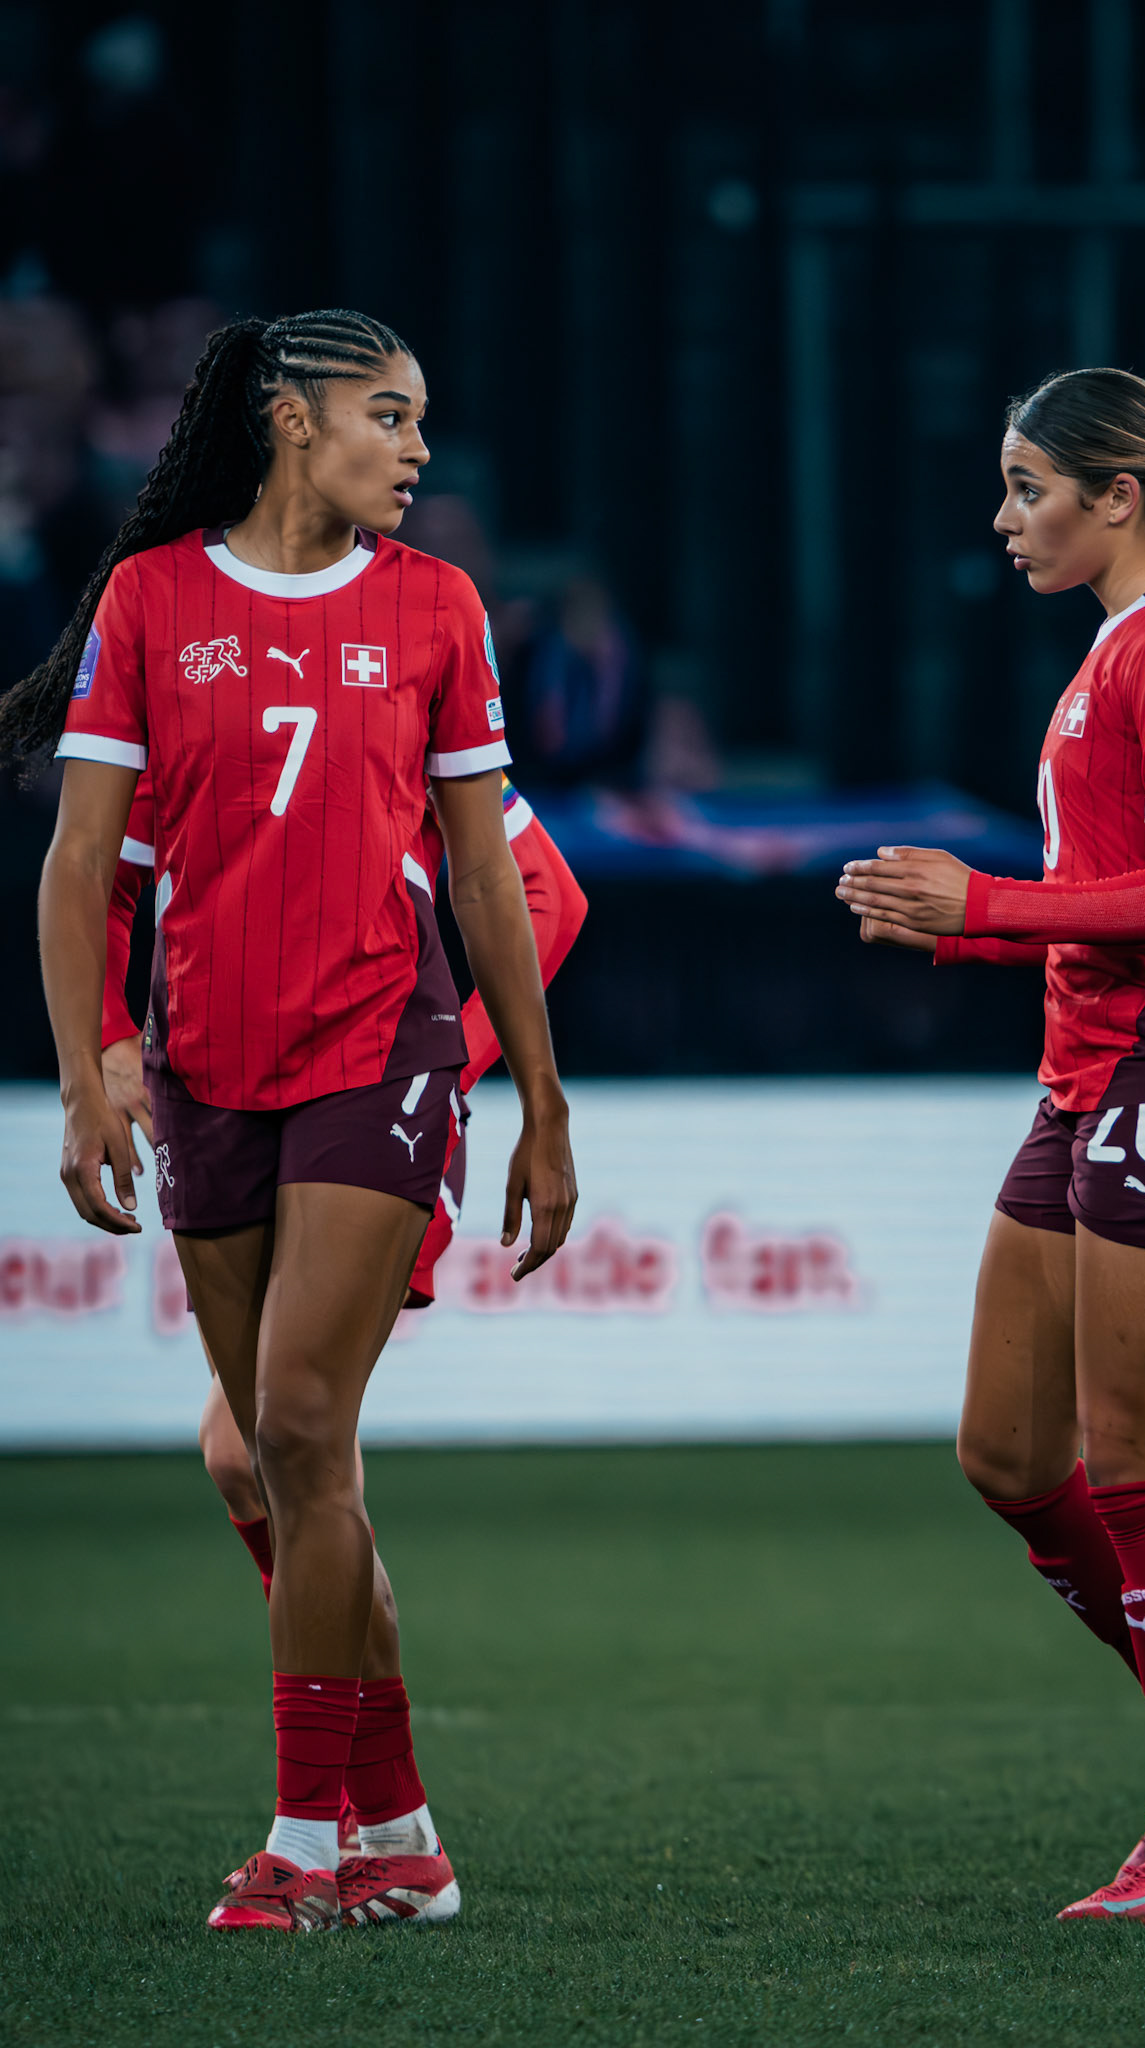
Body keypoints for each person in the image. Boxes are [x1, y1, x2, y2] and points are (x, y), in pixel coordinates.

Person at [4, 309, 578, 1933]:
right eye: (386, 416)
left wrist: (532, 1097)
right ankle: (401, 1828)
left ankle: (307, 1842)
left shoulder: (437, 609)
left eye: (421, 420)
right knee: (261, 1448)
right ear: (287, 418)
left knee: (305, 1423)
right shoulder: (153, 599)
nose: (415, 449)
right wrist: (89, 1060)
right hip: (209, 1068)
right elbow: (78, 864)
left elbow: (490, 875)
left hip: (375, 1048)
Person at [835, 368, 1145, 1922]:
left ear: (1119, 496)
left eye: (1026, 485)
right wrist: (966, 928)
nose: (1003, 518)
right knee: (1004, 1453)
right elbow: (1113, 904)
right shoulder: (1119, 649)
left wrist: (985, 901)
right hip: (1094, 1074)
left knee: (1131, 1466)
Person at [100, 765, 587, 1638]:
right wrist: (115, 1035)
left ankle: (360, 1759)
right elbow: (116, 882)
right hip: (238, 1100)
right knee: (251, 1457)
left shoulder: (395, 683)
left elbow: (550, 891)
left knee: (279, 1448)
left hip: (371, 1098)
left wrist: (455, 1059)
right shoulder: (194, 685)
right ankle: (372, 1752)